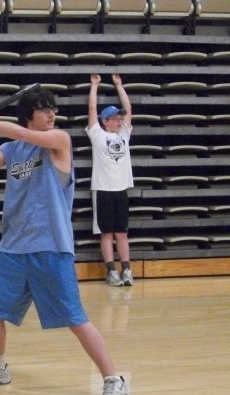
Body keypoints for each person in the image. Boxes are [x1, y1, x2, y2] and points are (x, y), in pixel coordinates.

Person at [0, 86, 130, 395]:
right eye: (44, 109)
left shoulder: (59, 140)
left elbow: (23, 133)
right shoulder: (12, 150)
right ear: (28, 115)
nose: (52, 114)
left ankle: (113, 379)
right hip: (13, 247)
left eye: (53, 108)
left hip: (51, 246)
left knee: (75, 318)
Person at [87, 73, 135, 287]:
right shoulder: (97, 134)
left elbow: (129, 108)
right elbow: (92, 109)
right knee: (106, 233)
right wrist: (94, 85)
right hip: (103, 189)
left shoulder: (124, 134)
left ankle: (127, 269)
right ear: (105, 121)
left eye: (120, 118)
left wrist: (119, 85)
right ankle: (111, 271)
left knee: (122, 233)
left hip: (121, 189)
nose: (119, 121)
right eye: (115, 118)